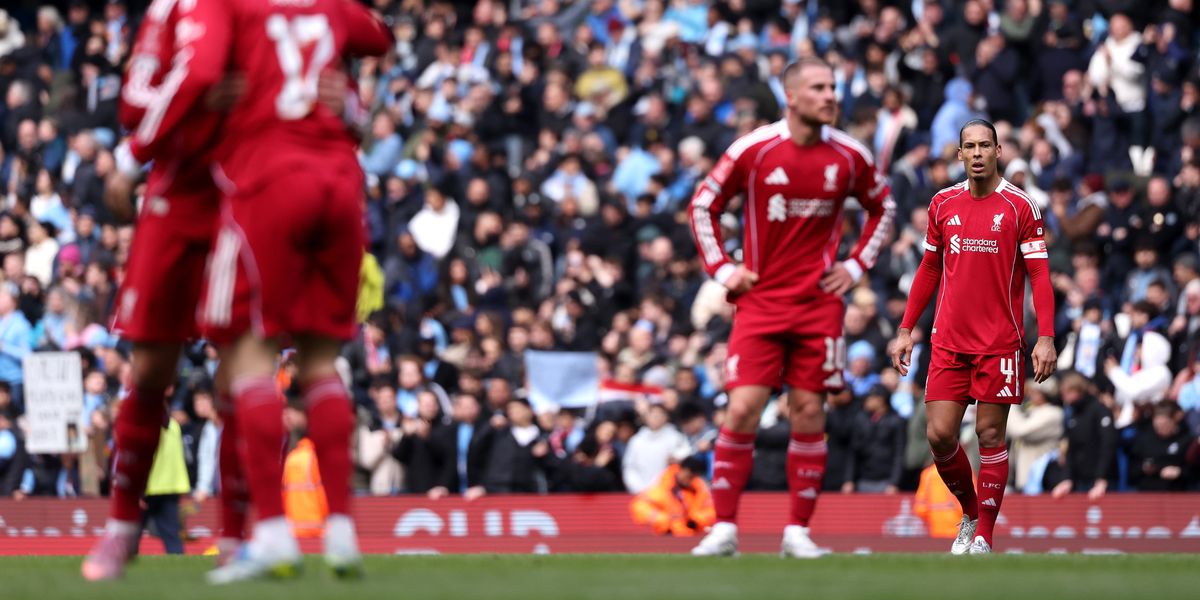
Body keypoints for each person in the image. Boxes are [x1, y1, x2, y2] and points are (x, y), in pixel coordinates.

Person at [118, 0, 391, 583]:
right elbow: (377, 37)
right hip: (341, 179)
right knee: (321, 364)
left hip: (267, 178)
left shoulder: (229, 7)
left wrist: (130, 155)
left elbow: (201, 72)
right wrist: (352, 102)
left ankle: (268, 533)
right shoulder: (328, 5)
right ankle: (342, 532)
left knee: (247, 356)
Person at [688, 57, 896, 558]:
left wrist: (856, 265)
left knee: (807, 411)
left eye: (833, 87)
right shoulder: (754, 149)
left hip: (818, 305)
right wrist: (723, 270)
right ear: (792, 96)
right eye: (818, 88)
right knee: (742, 409)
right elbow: (702, 204)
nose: (830, 96)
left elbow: (883, 207)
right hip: (759, 302)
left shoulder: (849, 155)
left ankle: (797, 532)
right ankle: (723, 528)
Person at [82, 0, 245, 579]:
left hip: (240, 193)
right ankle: (123, 526)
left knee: (241, 375)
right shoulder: (166, 8)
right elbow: (135, 99)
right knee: (150, 371)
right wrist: (192, 99)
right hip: (174, 197)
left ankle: (238, 534)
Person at [891, 119, 1057, 555]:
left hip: (999, 343)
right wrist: (906, 329)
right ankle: (969, 513)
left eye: (986, 145)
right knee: (940, 435)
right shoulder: (943, 203)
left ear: (998, 151)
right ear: (960, 154)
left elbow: (1040, 276)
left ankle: (984, 534)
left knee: (989, 435)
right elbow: (929, 268)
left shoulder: (1021, 207)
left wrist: (1046, 337)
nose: (978, 153)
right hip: (948, 340)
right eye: (970, 146)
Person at [630, 456, 716, 536]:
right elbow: (639, 506)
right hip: (667, 536)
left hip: (691, 536)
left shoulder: (699, 490)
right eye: (689, 476)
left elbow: (712, 511)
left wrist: (696, 520)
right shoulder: (663, 488)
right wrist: (664, 520)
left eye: (693, 477)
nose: (690, 480)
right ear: (681, 470)